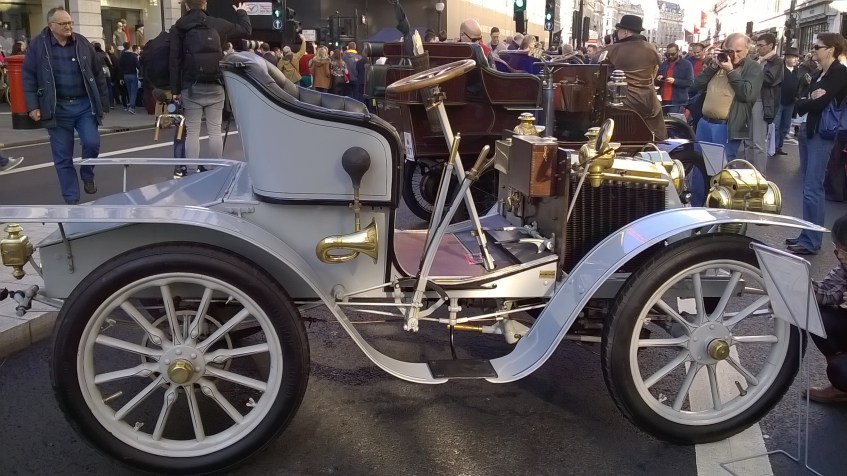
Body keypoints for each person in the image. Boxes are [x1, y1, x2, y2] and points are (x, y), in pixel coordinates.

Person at [22, 7, 109, 204]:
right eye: (63, 24)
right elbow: (28, 77)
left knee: (92, 143)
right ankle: (71, 199)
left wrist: (103, 104)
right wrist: (33, 106)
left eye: (70, 22)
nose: (68, 26)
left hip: (85, 105)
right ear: (51, 26)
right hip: (56, 108)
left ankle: (87, 173)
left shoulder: (82, 42)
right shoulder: (38, 45)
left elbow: (98, 74)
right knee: (63, 156)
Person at [786, 33, 847, 255]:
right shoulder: (817, 72)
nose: (813, 50)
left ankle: (812, 240)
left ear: (831, 49)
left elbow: (818, 103)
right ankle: (806, 234)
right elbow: (799, 101)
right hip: (808, 130)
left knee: (813, 187)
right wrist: (809, 100)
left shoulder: (840, 73)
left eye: (817, 47)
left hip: (822, 133)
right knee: (808, 187)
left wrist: (809, 101)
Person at [169, 0, 251, 167]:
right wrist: (241, 12)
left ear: (186, 6)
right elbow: (245, 30)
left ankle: (192, 172)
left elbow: (174, 60)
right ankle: (215, 169)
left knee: (192, 132)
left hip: (191, 87)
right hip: (215, 84)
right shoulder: (218, 24)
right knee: (215, 131)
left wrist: (175, 90)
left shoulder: (180, 26)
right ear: (205, 4)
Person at [601, 14, 667, 141]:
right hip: (649, 102)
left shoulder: (614, 49)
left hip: (624, 104)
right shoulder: (651, 48)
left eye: (619, 30)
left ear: (625, 32)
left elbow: (595, 67)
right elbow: (655, 70)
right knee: (654, 138)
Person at [807, 213, 847, 403]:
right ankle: (840, 388)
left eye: (845, 250)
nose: (839, 254)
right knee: (816, 315)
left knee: (842, 372)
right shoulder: (844, 268)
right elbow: (828, 292)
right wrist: (800, 284)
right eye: (837, 247)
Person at [743, 33, 782, 171]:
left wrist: (753, 69)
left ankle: (759, 174)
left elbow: (770, 79)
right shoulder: (757, 60)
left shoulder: (777, 61)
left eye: (761, 45)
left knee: (758, 142)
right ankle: (748, 171)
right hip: (750, 100)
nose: (758, 48)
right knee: (748, 141)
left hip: (762, 102)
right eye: (757, 45)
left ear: (770, 45)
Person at [773, 47, 800, 156]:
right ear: (787, 58)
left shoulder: (798, 71)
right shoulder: (781, 70)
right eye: (793, 57)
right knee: (776, 126)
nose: (795, 60)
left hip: (791, 103)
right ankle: (773, 148)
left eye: (796, 57)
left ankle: (779, 146)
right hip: (779, 101)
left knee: (785, 126)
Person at [656, 43, 693, 114]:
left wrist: (675, 81)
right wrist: (658, 79)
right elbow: (657, 82)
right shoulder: (664, 64)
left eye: (673, 54)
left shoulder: (687, 64)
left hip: (678, 101)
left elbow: (690, 82)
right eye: (668, 54)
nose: (670, 56)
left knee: (674, 120)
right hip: (663, 100)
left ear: (678, 52)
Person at [119, 41, 139, 113]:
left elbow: (120, 67)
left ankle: (130, 103)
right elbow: (138, 65)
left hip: (125, 75)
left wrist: (121, 77)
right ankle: (132, 106)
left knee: (129, 91)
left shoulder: (122, 56)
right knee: (134, 91)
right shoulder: (133, 56)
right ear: (130, 47)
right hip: (133, 74)